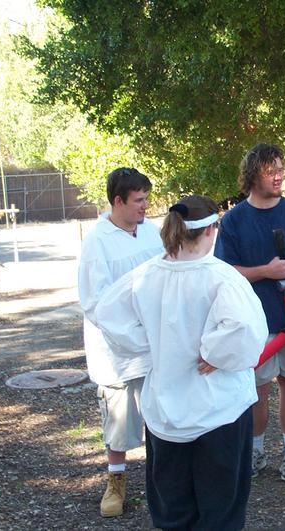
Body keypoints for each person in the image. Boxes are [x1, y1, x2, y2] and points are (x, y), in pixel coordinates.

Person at [94, 195, 268, 530]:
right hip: (219, 410)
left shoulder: (146, 274)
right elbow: (246, 330)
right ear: (211, 230)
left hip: (166, 410)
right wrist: (214, 353)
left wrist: (151, 345)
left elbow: (108, 313)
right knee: (220, 511)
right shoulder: (221, 277)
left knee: (173, 508)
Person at [214, 143, 285, 482]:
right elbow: (225, 272)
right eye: (270, 171)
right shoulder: (234, 220)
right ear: (253, 175)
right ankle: (256, 451)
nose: (278, 176)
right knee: (256, 389)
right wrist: (266, 271)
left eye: (281, 169)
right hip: (253, 324)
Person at [77, 167, 164, 517]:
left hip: (153, 343)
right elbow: (95, 302)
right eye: (139, 200)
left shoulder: (151, 232)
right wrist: (131, 334)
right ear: (118, 201)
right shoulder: (97, 242)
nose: (145, 206)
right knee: (119, 419)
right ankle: (116, 482)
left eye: (146, 199)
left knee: (160, 415)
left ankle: (162, 483)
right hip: (117, 349)